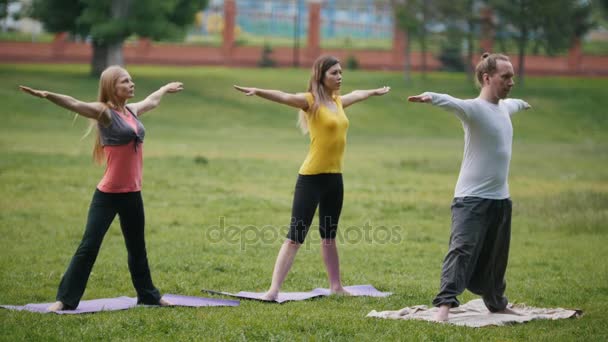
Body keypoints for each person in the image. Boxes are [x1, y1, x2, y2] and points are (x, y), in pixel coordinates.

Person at [19, 66, 183, 311]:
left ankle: (148, 295)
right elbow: (74, 103)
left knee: (137, 248)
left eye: (131, 80)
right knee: (89, 246)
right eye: (125, 82)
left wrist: (164, 89)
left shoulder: (131, 110)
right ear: (112, 87)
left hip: (132, 194)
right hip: (107, 196)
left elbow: (151, 101)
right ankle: (64, 300)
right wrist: (46, 94)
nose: (131, 84)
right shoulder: (104, 113)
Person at [234, 55, 390, 300]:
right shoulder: (310, 102)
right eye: (334, 73)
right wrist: (258, 91)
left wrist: (374, 92)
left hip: (334, 179)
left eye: (341, 73)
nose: (339, 77)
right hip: (311, 179)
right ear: (321, 76)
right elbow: (284, 96)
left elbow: (358, 93)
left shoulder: (338, 102)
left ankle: (336, 286)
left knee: (329, 236)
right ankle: (273, 290)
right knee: (295, 237)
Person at [408, 53, 531, 321]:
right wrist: (430, 96)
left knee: (497, 257)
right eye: (506, 76)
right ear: (487, 78)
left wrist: (523, 104)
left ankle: (497, 303)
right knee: (461, 250)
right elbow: (452, 102)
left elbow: (513, 103)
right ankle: (444, 306)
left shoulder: (505, 107)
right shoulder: (473, 109)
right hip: (470, 200)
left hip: (501, 199)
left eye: (512, 76)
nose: (512, 81)